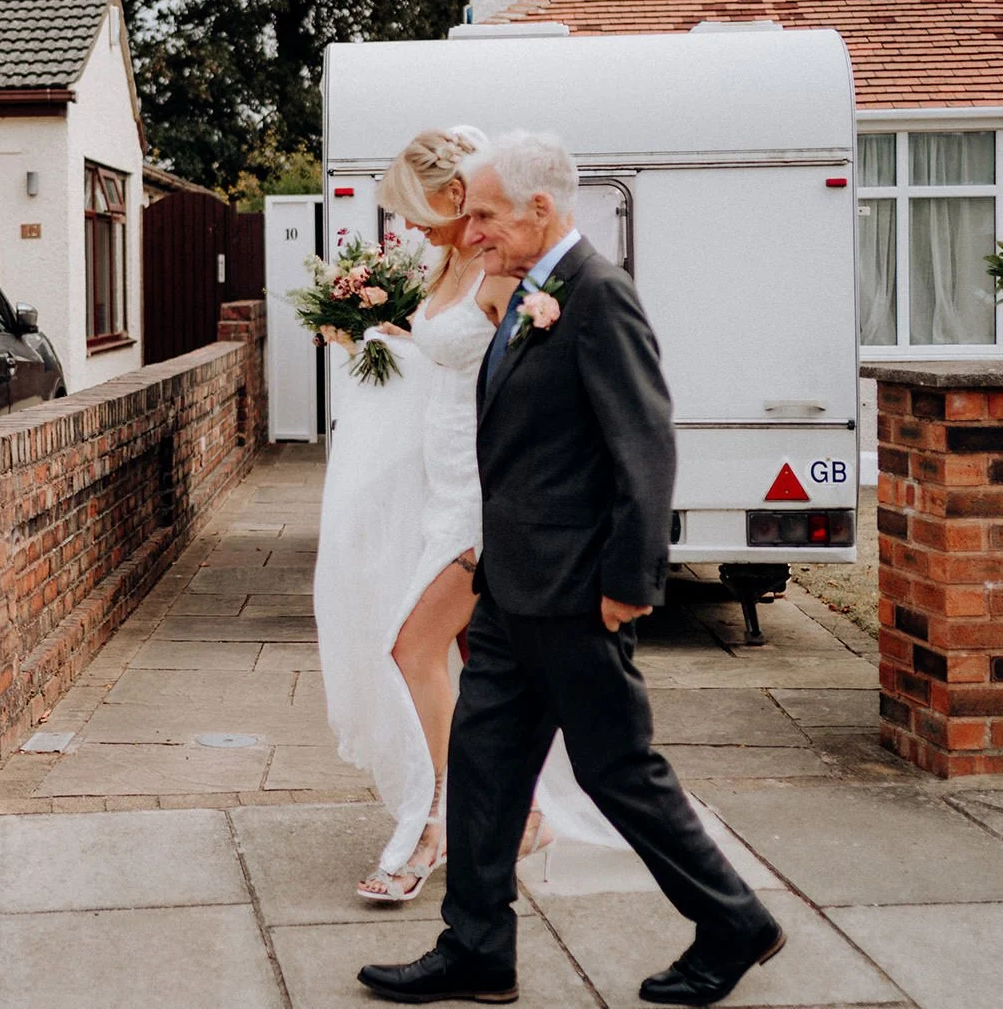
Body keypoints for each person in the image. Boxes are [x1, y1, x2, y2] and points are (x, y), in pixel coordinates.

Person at [358, 131, 782, 1006]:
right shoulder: (530, 292)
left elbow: (644, 448)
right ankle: (476, 946)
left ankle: (733, 920)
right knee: (481, 764)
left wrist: (632, 585)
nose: (470, 230)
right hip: (510, 586)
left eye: (483, 213)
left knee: (617, 769)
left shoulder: (596, 296)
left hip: (579, 595)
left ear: (538, 209)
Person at [317, 127, 621, 906]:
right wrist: (387, 338)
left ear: (456, 199)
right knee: (474, 668)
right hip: (441, 491)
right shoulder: (446, 265)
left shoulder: (497, 278)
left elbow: (534, 382)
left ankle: (440, 822)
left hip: (484, 505)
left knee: (409, 648)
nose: (411, 230)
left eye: (419, 214)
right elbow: (449, 358)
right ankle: (516, 815)